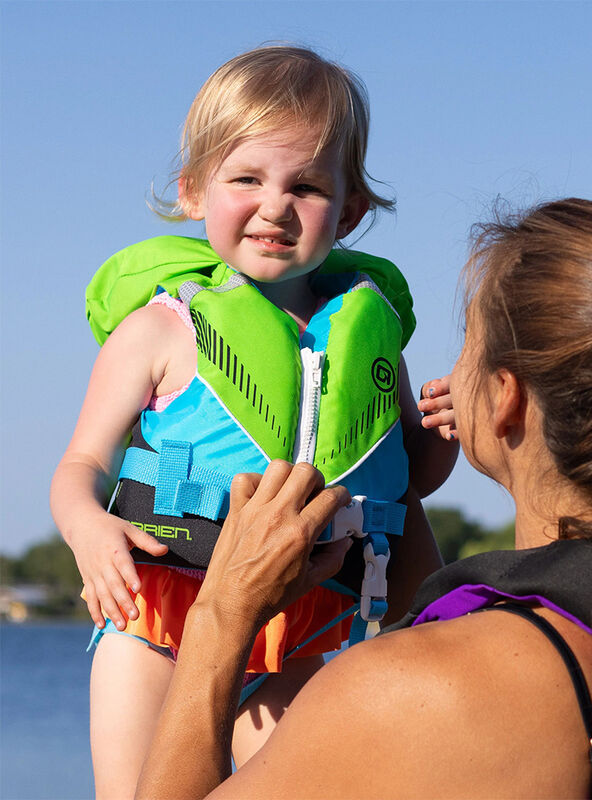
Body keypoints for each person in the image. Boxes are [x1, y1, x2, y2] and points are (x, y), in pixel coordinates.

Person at [135, 199, 592, 799]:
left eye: (468, 348)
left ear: (506, 397)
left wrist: (223, 614)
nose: (449, 376)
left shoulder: (424, 692)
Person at [50, 46, 454, 798]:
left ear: (351, 209)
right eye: (246, 179)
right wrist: (87, 529)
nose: (275, 206)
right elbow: (80, 469)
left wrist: (441, 431)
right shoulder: (162, 330)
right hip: (163, 615)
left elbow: (410, 480)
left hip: (318, 626)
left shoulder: (367, 336)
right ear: (195, 191)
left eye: (305, 186)